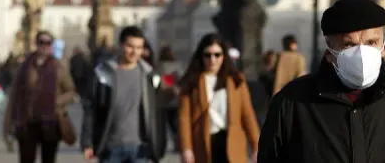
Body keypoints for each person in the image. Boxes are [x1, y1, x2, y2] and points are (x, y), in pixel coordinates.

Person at [258, 0, 385, 163]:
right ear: (329, 51)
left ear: (384, 47)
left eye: (371, 43)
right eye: (349, 45)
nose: (361, 54)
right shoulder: (292, 104)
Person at [80, 26, 167, 163]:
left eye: (139, 48)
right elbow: (91, 109)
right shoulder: (103, 74)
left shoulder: (149, 76)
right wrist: (87, 143)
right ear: (120, 45)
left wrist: (159, 146)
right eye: (130, 46)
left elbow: (157, 114)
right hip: (110, 148)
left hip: (141, 149)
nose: (134, 52)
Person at [178, 33, 260, 163]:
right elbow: (184, 118)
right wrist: (186, 148)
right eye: (207, 55)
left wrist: (256, 145)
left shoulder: (236, 80)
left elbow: (247, 114)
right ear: (201, 56)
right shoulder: (191, 82)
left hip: (231, 142)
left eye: (217, 55)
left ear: (224, 56)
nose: (212, 60)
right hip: (203, 143)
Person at [5, 31, 76, 163]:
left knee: (48, 159)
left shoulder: (58, 67)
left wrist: (57, 101)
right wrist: (8, 125)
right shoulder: (24, 67)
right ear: (36, 44)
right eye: (41, 42)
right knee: (26, 159)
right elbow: (14, 95)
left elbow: (71, 91)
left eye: (48, 43)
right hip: (27, 121)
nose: (44, 46)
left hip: (51, 122)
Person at [157, 45, 182, 152]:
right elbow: (181, 80)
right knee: (175, 125)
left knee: (162, 125)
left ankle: (161, 145)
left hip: (162, 101)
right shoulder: (177, 66)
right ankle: (177, 144)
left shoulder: (158, 67)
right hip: (175, 100)